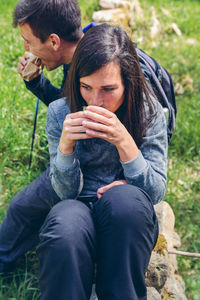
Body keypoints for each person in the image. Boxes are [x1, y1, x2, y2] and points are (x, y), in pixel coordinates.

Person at [40, 23, 168, 300]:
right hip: (78, 206)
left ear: (128, 82)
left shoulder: (150, 112)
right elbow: (64, 192)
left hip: (128, 213)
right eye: (86, 86)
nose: (95, 101)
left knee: (124, 203)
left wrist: (125, 142)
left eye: (108, 89)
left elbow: (156, 191)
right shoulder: (60, 113)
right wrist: (65, 148)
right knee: (63, 228)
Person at [0, 0, 95, 273]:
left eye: (28, 41)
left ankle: (3, 263)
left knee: (20, 207)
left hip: (89, 163)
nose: (26, 49)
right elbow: (67, 107)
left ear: (53, 41)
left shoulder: (86, 69)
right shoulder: (80, 51)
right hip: (81, 150)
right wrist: (36, 82)